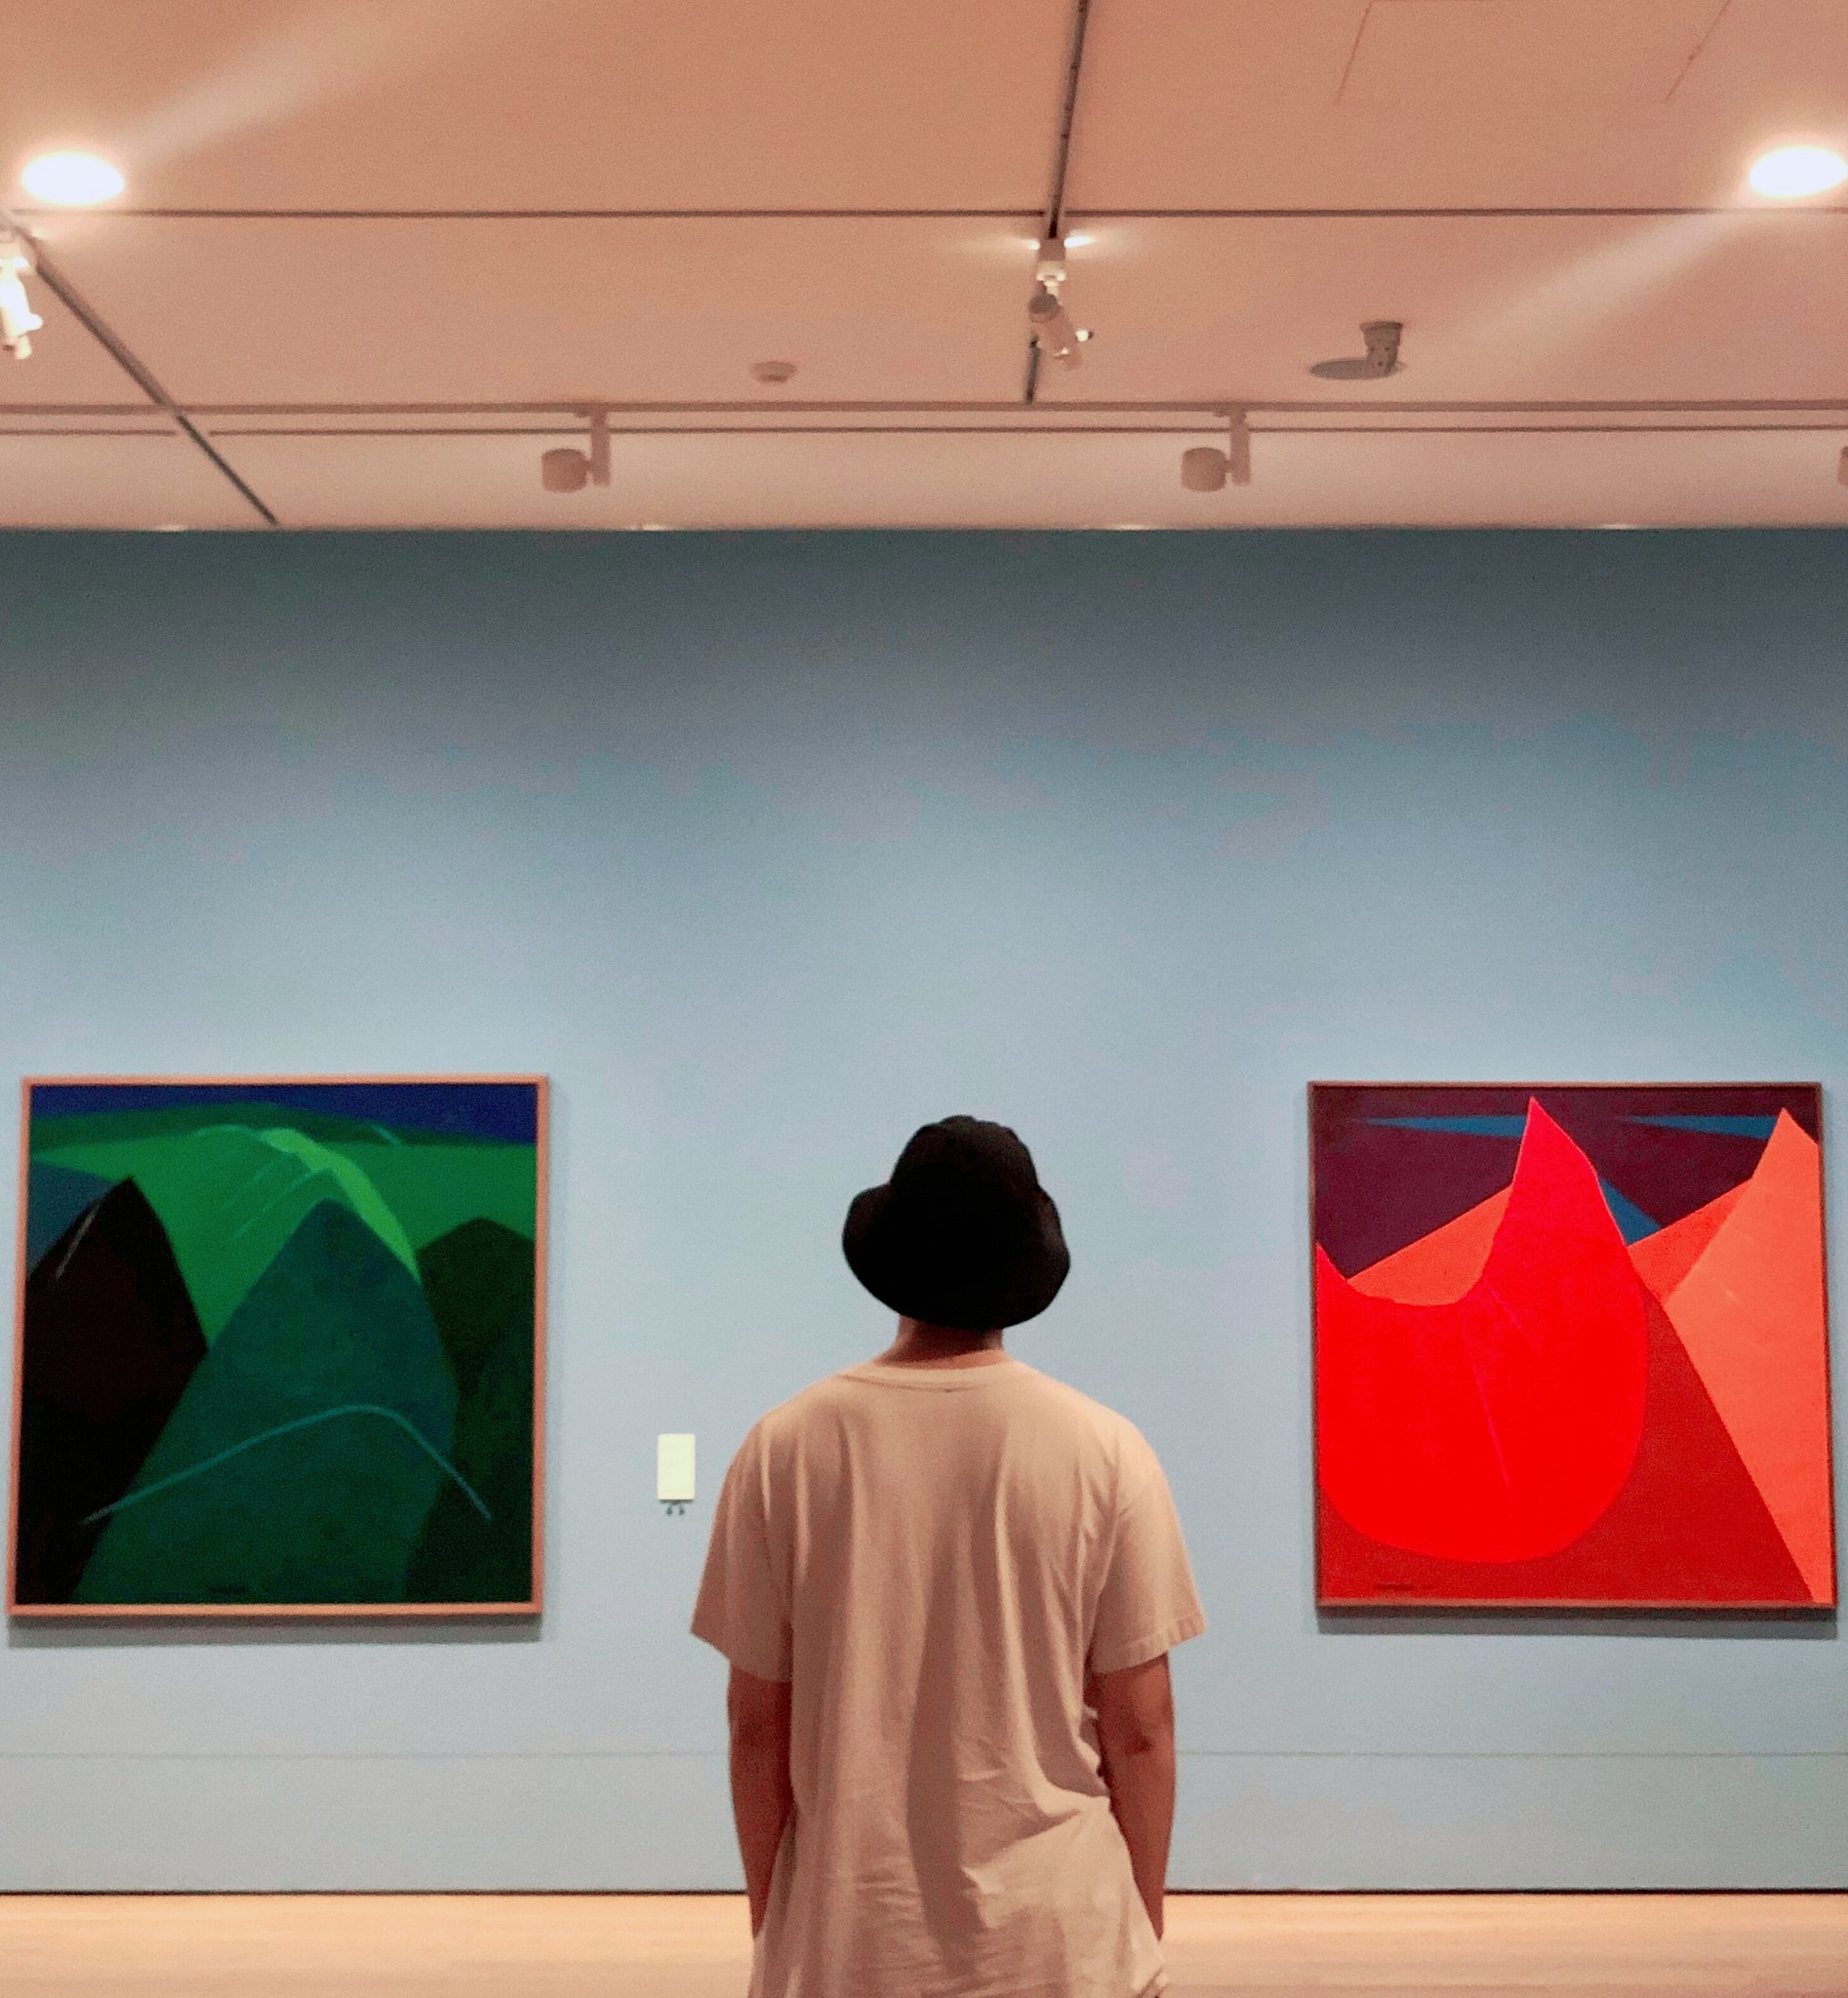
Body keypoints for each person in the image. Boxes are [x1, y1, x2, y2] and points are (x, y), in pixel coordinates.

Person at [693, 1115, 1206, 1998]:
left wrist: (777, 1922)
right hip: (1062, 1937)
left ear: (891, 1259)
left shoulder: (785, 1449)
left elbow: (755, 1724)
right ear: (1027, 1266)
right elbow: (1141, 1728)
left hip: (853, 1937)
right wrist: (1140, 1920)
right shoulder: (1107, 1452)